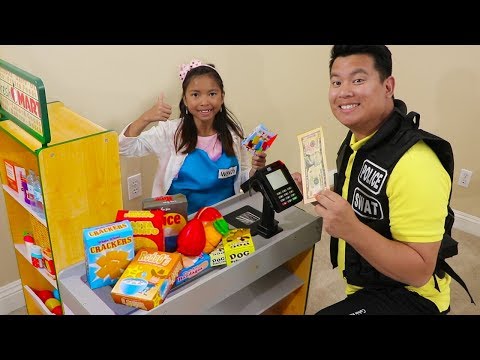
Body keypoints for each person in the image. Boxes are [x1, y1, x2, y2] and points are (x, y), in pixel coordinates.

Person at [293, 45, 456, 315]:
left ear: (388, 86)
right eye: (336, 81)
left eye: (358, 80)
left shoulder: (416, 164)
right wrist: (324, 194)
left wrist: (350, 229)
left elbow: (419, 272)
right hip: (369, 282)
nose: (344, 91)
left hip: (413, 296)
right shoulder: (360, 140)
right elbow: (368, 194)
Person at [119, 59, 267, 215]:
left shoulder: (233, 133)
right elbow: (123, 148)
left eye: (212, 94)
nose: (204, 102)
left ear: (222, 97)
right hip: (179, 225)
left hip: (225, 220)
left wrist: (255, 170)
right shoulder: (170, 133)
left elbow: (240, 180)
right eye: (195, 94)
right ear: (185, 99)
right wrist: (145, 118)